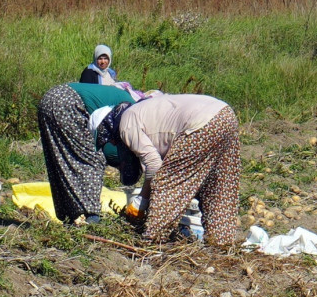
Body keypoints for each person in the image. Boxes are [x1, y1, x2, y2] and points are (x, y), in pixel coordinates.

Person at [91, 94, 239, 245]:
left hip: (201, 123)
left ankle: (154, 243)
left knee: (168, 184)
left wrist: (141, 200)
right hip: (225, 115)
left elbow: (155, 166)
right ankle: (221, 243)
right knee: (218, 187)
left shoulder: (126, 124)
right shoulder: (138, 111)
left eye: (109, 140)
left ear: (107, 128)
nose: (113, 143)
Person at [37, 83, 140, 225]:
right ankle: (90, 217)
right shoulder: (133, 113)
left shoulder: (130, 104)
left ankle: (70, 216)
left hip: (51, 99)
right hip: (68, 103)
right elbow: (109, 151)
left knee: (61, 159)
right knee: (92, 160)